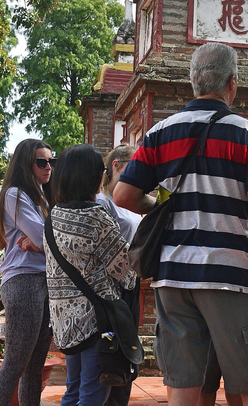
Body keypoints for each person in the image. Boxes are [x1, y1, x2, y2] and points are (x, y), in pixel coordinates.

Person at [113, 42, 248, 406]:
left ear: (194, 83)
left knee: (183, 385)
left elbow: (123, 196)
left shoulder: (161, 131)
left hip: (173, 276)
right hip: (228, 274)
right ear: (232, 84)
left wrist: (160, 205)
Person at [46, 144, 137, 406]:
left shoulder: (53, 217)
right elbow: (126, 272)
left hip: (65, 323)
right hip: (97, 322)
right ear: (91, 175)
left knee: (73, 390)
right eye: (102, 170)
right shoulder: (96, 215)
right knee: (92, 395)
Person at [0, 139, 55, 406]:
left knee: (34, 368)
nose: (48, 167)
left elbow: (47, 239)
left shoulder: (42, 196)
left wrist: (43, 242)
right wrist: (42, 243)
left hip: (44, 279)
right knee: (15, 364)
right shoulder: (15, 194)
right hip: (23, 279)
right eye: (42, 162)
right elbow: (43, 238)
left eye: (51, 161)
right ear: (26, 165)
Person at [96, 143, 143, 406]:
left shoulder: (128, 201)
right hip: (112, 286)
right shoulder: (103, 202)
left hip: (131, 283)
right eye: (133, 167)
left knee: (127, 351)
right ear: (116, 166)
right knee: (112, 352)